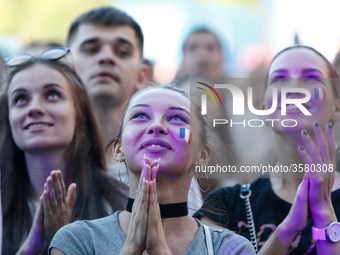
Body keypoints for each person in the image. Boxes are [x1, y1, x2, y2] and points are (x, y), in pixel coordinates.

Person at [49, 85, 255, 255]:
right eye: (140, 115)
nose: (156, 126)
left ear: (202, 155)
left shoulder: (229, 249)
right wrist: (131, 250)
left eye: (177, 118)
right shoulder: (77, 241)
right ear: (118, 149)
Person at [196, 45, 340, 254]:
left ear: (336, 107)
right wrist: (288, 229)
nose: (294, 88)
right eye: (279, 79)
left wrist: (324, 214)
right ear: (264, 110)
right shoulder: (225, 206)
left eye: (311, 78)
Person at [0, 51, 127, 254]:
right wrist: (30, 249)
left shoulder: (122, 201)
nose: (34, 108)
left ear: (79, 112)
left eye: (52, 94)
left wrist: (65, 241)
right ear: (8, 118)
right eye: (20, 99)